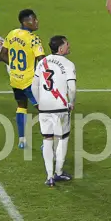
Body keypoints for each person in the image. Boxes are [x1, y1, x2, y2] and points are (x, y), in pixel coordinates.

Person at [32, 36, 76, 187]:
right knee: (62, 139)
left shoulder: (42, 63)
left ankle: (49, 176)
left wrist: (38, 103)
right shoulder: (68, 64)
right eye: (67, 44)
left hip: (44, 107)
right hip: (61, 107)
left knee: (47, 139)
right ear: (60, 49)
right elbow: (72, 88)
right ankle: (58, 172)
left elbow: (34, 86)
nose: (69, 46)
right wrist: (71, 102)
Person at [0, 9, 45, 149]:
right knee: (44, 110)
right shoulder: (33, 39)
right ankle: (46, 142)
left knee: (21, 106)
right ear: (25, 22)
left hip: (15, 79)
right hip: (30, 82)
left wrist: (14, 66)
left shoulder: (11, 34)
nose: (36, 22)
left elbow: (2, 55)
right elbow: (42, 61)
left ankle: (21, 140)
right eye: (34, 19)